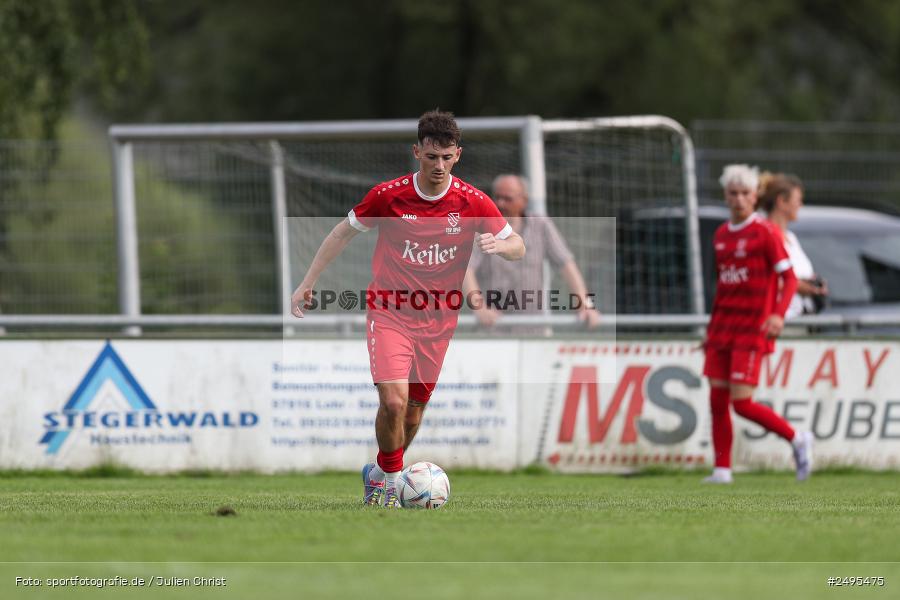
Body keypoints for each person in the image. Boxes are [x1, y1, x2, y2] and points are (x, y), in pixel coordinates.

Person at [290, 110, 525, 507]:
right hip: (390, 313)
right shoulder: (389, 196)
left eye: (446, 157)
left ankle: (378, 472)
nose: (439, 165)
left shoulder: (472, 201)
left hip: (438, 322)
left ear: (458, 155)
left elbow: (518, 245)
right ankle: (389, 487)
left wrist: (501, 245)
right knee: (394, 402)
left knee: (412, 414)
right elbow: (342, 233)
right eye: (431, 156)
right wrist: (307, 282)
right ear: (417, 152)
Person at [702, 164, 813, 484]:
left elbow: (788, 278)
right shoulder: (721, 235)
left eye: (745, 193)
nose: (738, 199)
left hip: (752, 329)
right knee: (717, 400)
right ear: (725, 196)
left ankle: (797, 439)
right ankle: (722, 470)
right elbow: (724, 287)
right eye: (733, 193)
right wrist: (711, 330)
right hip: (723, 328)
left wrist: (777, 314)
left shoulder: (765, 232)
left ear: (755, 197)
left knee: (741, 403)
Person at [463, 174, 601, 329]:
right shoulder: (482, 227)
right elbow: (466, 269)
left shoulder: (540, 225)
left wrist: (586, 305)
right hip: (493, 328)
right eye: (497, 197)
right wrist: (479, 307)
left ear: (524, 200)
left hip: (532, 327)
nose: (500, 203)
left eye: (508, 199)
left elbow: (566, 264)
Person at [759, 172, 828, 318]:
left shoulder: (791, 238)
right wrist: (799, 286)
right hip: (776, 319)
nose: (800, 205)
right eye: (797, 200)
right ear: (781, 201)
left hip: (801, 316)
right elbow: (759, 278)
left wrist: (813, 285)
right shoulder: (763, 234)